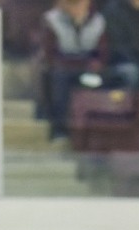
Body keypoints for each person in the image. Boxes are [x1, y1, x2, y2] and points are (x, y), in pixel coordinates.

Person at [40, 0, 106, 137]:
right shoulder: (52, 20)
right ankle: (60, 129)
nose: (76, 6)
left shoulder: (99, 22)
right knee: (59, 78)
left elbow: (103, 53)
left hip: (88, 68)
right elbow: (49, 54)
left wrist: (96, 63)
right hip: (62, 66)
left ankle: (92, 132)